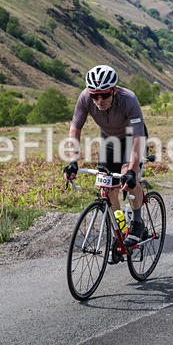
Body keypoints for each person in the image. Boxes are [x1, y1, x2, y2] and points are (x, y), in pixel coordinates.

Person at [63, 65, 148, 253]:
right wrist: (72, 161)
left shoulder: (129, 100)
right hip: (109, 140)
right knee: (107, 187)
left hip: (132, 138)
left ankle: (137, 221)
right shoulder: (85, 98)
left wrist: (132, 171)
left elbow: (137, 139)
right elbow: (75, 129)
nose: (99, 100)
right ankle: (120, 229)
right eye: (95, 95)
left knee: (128, 177)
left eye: (104, 95)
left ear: (114, 90)